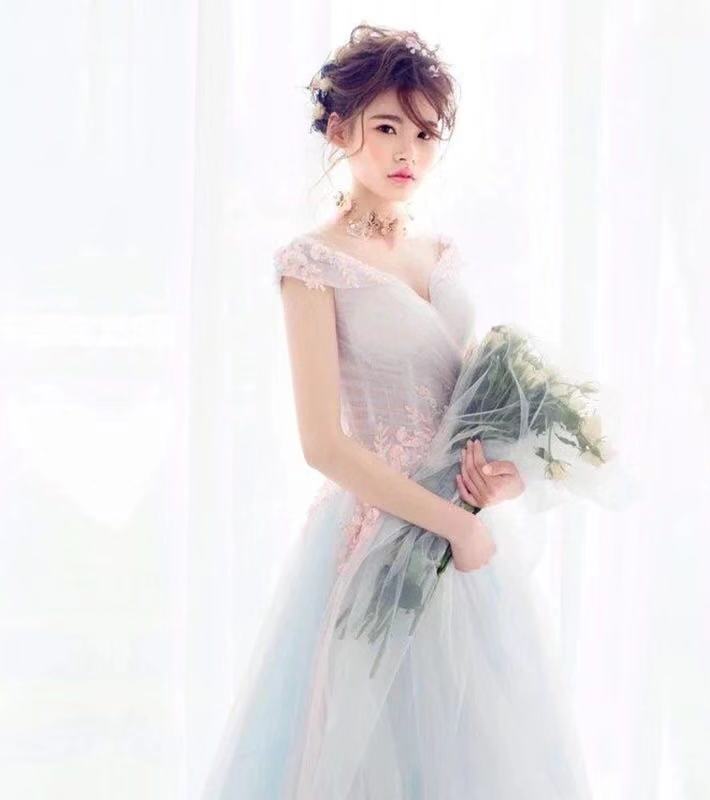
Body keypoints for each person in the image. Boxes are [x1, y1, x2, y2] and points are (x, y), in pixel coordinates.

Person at [201, 23, 593, 799]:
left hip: (468, 531)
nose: (407, 150)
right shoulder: (313, 264)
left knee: (480, 748)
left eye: (425, 133)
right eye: (386, 128)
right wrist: (454, 525)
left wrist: (501, 477)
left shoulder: (439, 253)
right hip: (378, 530)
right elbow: (323, 444)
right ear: (339, 130)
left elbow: (469, 399)